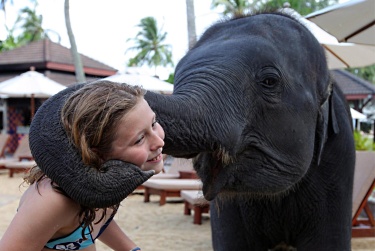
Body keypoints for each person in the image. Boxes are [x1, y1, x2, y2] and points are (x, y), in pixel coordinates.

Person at [0, 80, 165, 250]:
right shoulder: (52, 201)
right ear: (96, 152)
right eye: (139, 139)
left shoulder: (104, 180)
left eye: (153, 123)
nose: (159, 141)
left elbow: (94, 220)